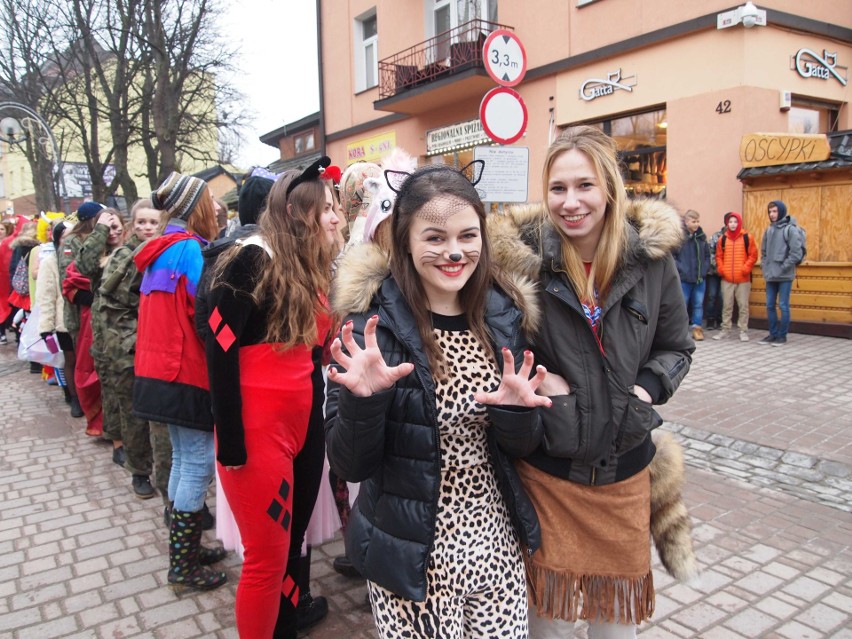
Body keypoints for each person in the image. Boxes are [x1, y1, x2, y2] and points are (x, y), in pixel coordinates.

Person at [326, 164, 549, 639]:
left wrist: (515, 414)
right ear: (405, 240)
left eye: (468, 235)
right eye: (435, 237)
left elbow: (523, 448)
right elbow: (349, 464)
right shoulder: (370, 328)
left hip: (495, 549)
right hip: (412, 559)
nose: (454, 251)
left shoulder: (504, 314)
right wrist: (364, 403)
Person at [491, 126, 695, 638]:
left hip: (624, 474)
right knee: (548, 627)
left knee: (614, 628)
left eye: (584, 186)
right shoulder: (521, 261)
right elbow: (496, 345)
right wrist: (542, 384)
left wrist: (645, 391)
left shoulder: (651, 262)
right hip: (550, 477)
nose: (570, 202)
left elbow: (676, 347)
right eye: (558, 188)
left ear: (609, 187)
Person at [206, 158, 339, 638]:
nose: (336, 218)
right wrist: (232, 442)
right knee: (266, 557)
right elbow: (218, 349)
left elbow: (313, 353)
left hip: (303, 425)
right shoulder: (248, 259)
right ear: (301, 213)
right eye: (327, 209)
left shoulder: (308, 265)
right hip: (260, 434)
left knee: (293, 543)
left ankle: (286, 625)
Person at [132, 172, 227, 592]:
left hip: (156, 373)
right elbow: (206, 320)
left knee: (182, 458)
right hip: (183, 373)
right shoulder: (190, 251)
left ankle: (183, 548)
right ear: (196, 208)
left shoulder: (158, 250)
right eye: (209, 201)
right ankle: (183, 565)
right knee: (196, 463)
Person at [95, 200, 162, 498]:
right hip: (127, 349)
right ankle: (139, 472)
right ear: (132, 225)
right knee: (134, 413)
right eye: (141, 222)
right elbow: (111, 306)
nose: (146, 228)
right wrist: (133, 341)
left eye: (152, 222)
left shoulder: (162, 251)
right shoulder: (126, 256)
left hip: (153, 345)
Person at [77, 207, 128, 464]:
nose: (114, 231)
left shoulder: (132, 251)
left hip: (133, 334)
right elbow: (83, 265)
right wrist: (100, 230)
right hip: (106, 336)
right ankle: (118, 442)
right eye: (109, 228)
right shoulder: (97, 258)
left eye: (117, 226)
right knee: (111, 391)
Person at [758, 200, 803, 346]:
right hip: (770, 275)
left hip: (784, 276)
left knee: (783, 305)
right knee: (770, 305)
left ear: (782, 212)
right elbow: (763, 252)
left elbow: (796, 254)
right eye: (770, 211)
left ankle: (782, 336)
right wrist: (765, 267)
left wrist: (783, 267)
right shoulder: (769, 230)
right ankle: (773, 334)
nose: (772, 214)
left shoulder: (790, 230)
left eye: (775, 211)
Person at [713, 211, 757, 342]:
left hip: (743, 279)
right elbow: (718, 256)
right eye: (730, 222)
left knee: (743, 306)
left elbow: (753, 255)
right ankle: (725, 330)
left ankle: (743, 330)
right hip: (727, 279)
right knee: (727, 305)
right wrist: (721, 269)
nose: (733, 224)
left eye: (735, 222)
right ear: (727, 224)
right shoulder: (723, 239)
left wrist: (746, 268)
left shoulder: (747, 237)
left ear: (739, 223)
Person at [673, 209, 710, 341]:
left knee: (698, 304)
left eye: (698, 221)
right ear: (686, 221)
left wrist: (704, 270)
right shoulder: (679, 237)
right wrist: (682, 269)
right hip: (684, 279)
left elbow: (707, 256)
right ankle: (680, 330)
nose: (696, 224)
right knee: (682, 304)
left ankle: (697, 329)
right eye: (694, 221)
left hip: (699, 279)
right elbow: (673, 257)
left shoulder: (701, 238)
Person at [703, 222, 725, 331]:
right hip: (713, 272)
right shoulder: (716, 236)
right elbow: (710, 253)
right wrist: (717, 267)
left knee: (722, 297)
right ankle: (710, 320)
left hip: (725, 274)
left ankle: (720, 319)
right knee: (711, 296)